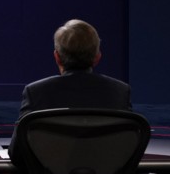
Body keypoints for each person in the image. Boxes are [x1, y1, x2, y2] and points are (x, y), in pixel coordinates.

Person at [9, 19, 132, 159]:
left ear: (57, 57)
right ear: (97, 58)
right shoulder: (120, 92)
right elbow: (127, 151)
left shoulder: (36, 92)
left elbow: (17, 153)